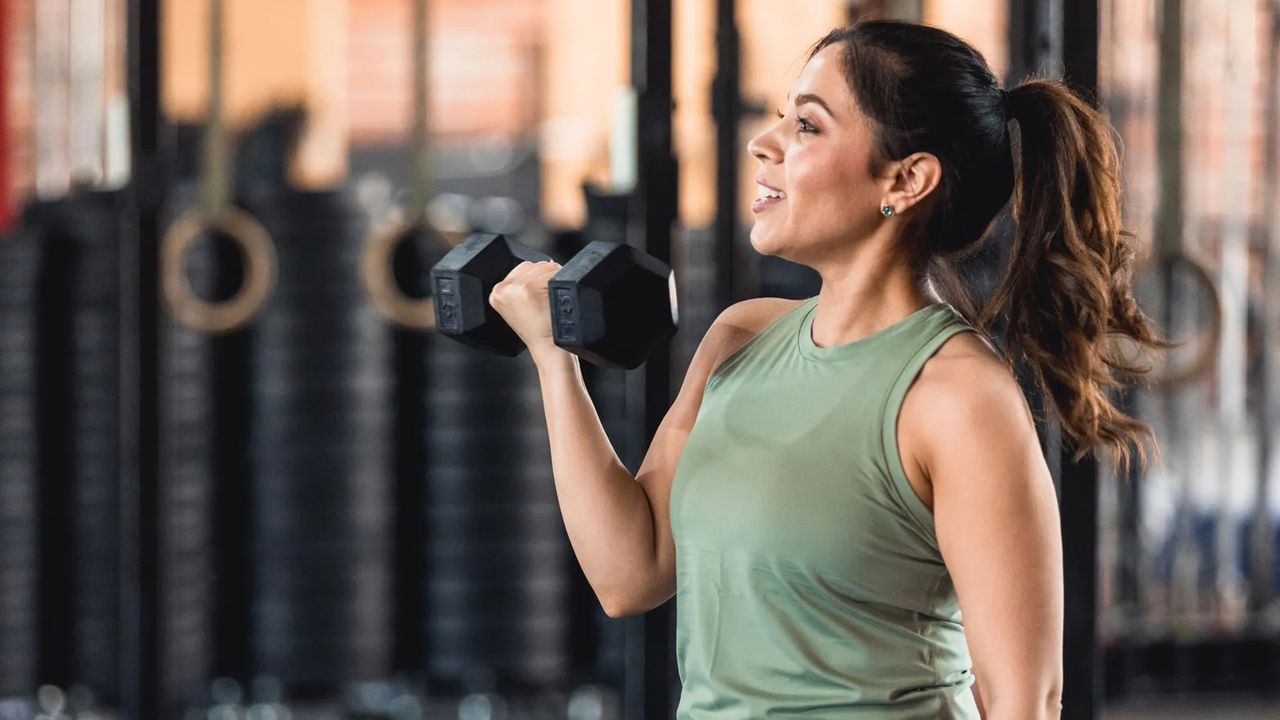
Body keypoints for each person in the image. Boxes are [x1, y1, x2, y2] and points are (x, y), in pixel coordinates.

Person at [489, 20, 1164, 720]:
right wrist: (552, 359)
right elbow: (631, 573)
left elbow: (1026, 701)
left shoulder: (958, 397)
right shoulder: (739, 338)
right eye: (783, 116)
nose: (765, 143)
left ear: (906, 179)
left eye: (807, 126)